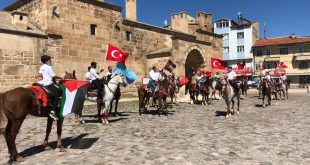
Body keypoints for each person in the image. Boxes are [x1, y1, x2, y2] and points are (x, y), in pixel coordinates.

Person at [37, 55, 63, 120]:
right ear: (47, 61)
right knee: (56, 95)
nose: (50, 61)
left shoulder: (41, 67)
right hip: (47, 83)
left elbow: (40, 75)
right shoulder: (48, 67)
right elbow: (53, 76)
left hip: (40, 83)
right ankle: (52, 112)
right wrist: (61, 78)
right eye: (49, 60)